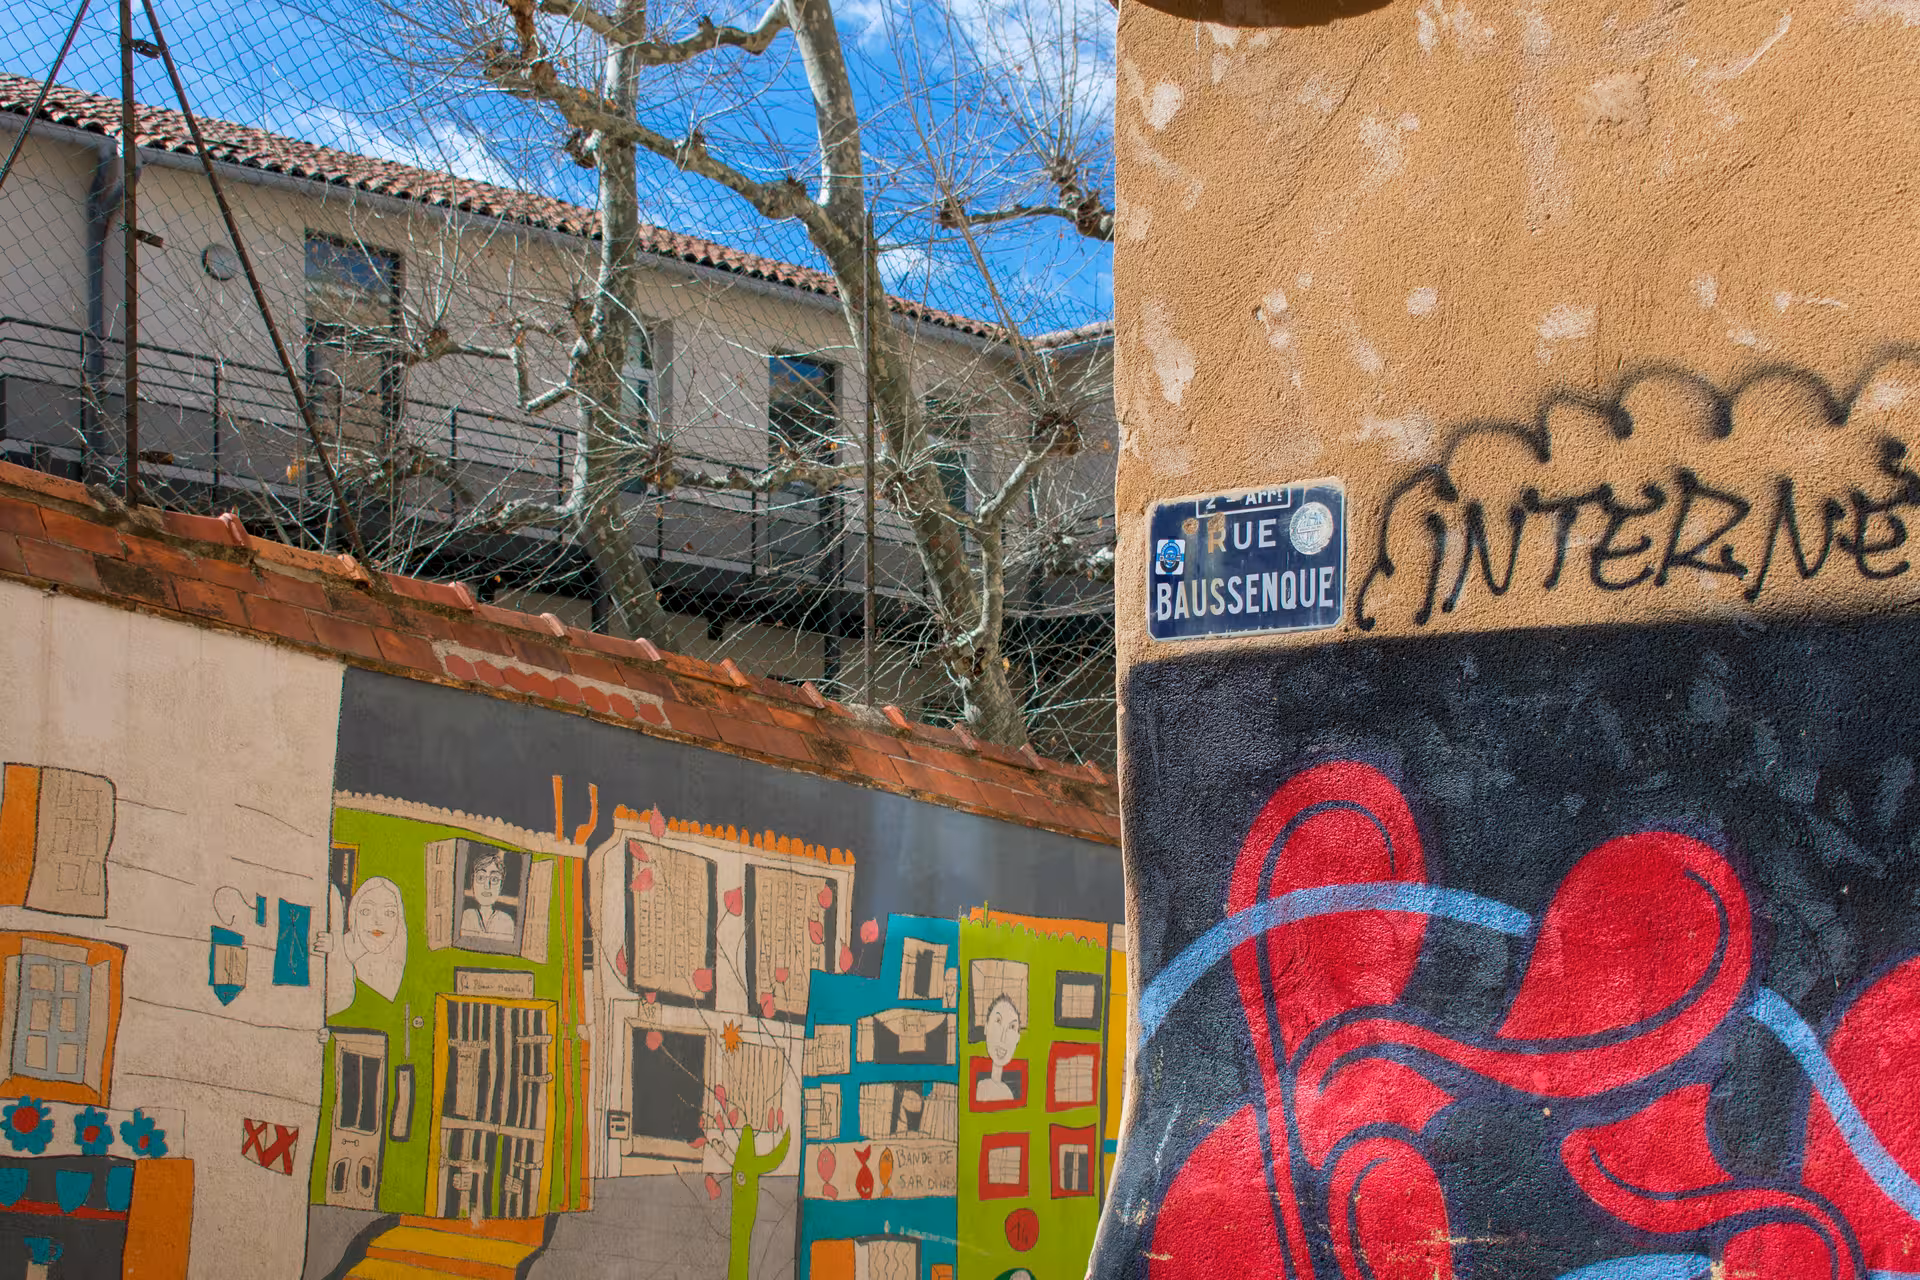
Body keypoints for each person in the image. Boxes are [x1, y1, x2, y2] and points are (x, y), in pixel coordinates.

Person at [315, 877, 406, 1016]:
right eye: (366, 911)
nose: (378, 920)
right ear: (354, 915)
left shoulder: (369, 983)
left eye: (389, 913)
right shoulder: (332, 927)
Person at [460, 848, 517, 944]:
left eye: (494, 879)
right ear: (473, 881)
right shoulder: (466, 916)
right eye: (481, 877)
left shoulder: (506, 921)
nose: (487, 886)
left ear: (501, 885)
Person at [974, 994, 1024, 1103]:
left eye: (1012, 1027)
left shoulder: (1008, 1094)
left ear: (1017, 1038)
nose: (1003, 1037)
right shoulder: (979, 1088)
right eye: (998, 1021)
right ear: (986, 1027)